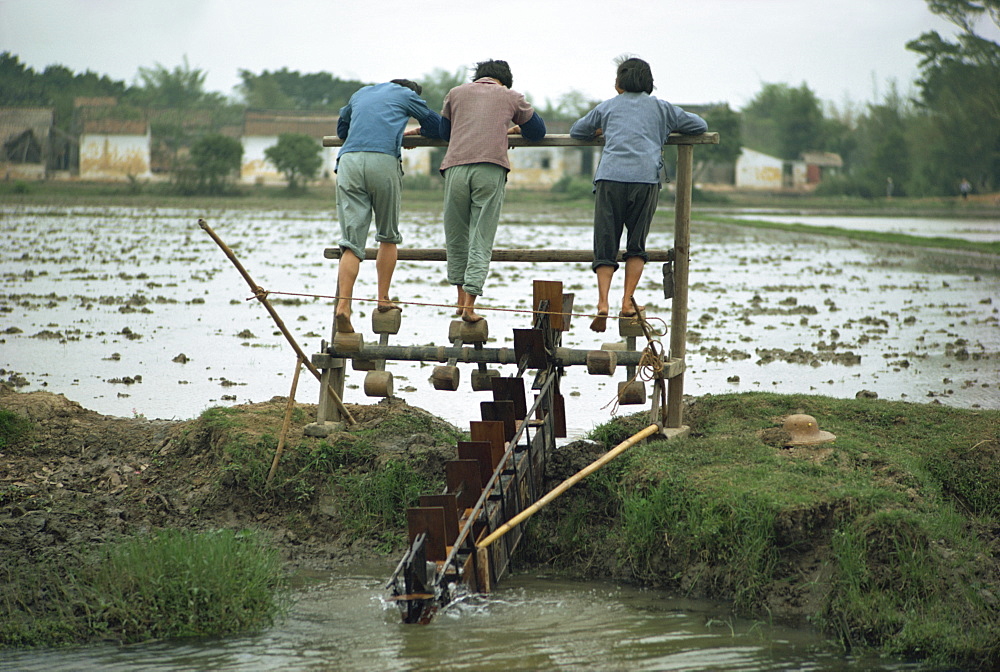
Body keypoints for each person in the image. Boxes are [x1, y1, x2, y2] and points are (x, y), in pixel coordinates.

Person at [570, 56, 707, 332]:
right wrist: (665, 129)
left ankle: (602, 303)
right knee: (636, 244)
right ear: (649, 84)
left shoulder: (607, 107)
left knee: (605, 243)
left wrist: (602, 129)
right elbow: (699, 126)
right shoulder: (662, 108)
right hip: (644, 180)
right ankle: (627, 302)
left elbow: (577, 131)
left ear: (619, 84)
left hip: (610, 178)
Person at [439, 59, 546, 322]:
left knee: (456, 233)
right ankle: (470, 306)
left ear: (478, 77)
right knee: (481, 236)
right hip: (490, 168)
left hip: (455, 168)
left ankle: (459, 299)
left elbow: (444, 132)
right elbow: (538, 132)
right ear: (505, 80)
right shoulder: (510, 96)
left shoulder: (455, 93)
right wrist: (515, 127)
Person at [333, 79, 442, 334]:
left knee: (351, 242)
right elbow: (436, 126)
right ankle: (383, 299)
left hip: (348, 161)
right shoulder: (407, 95)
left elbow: (341, 130)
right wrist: (411, 134)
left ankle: (344, 306)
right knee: (387, 236)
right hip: (382, 162)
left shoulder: (362, 93)